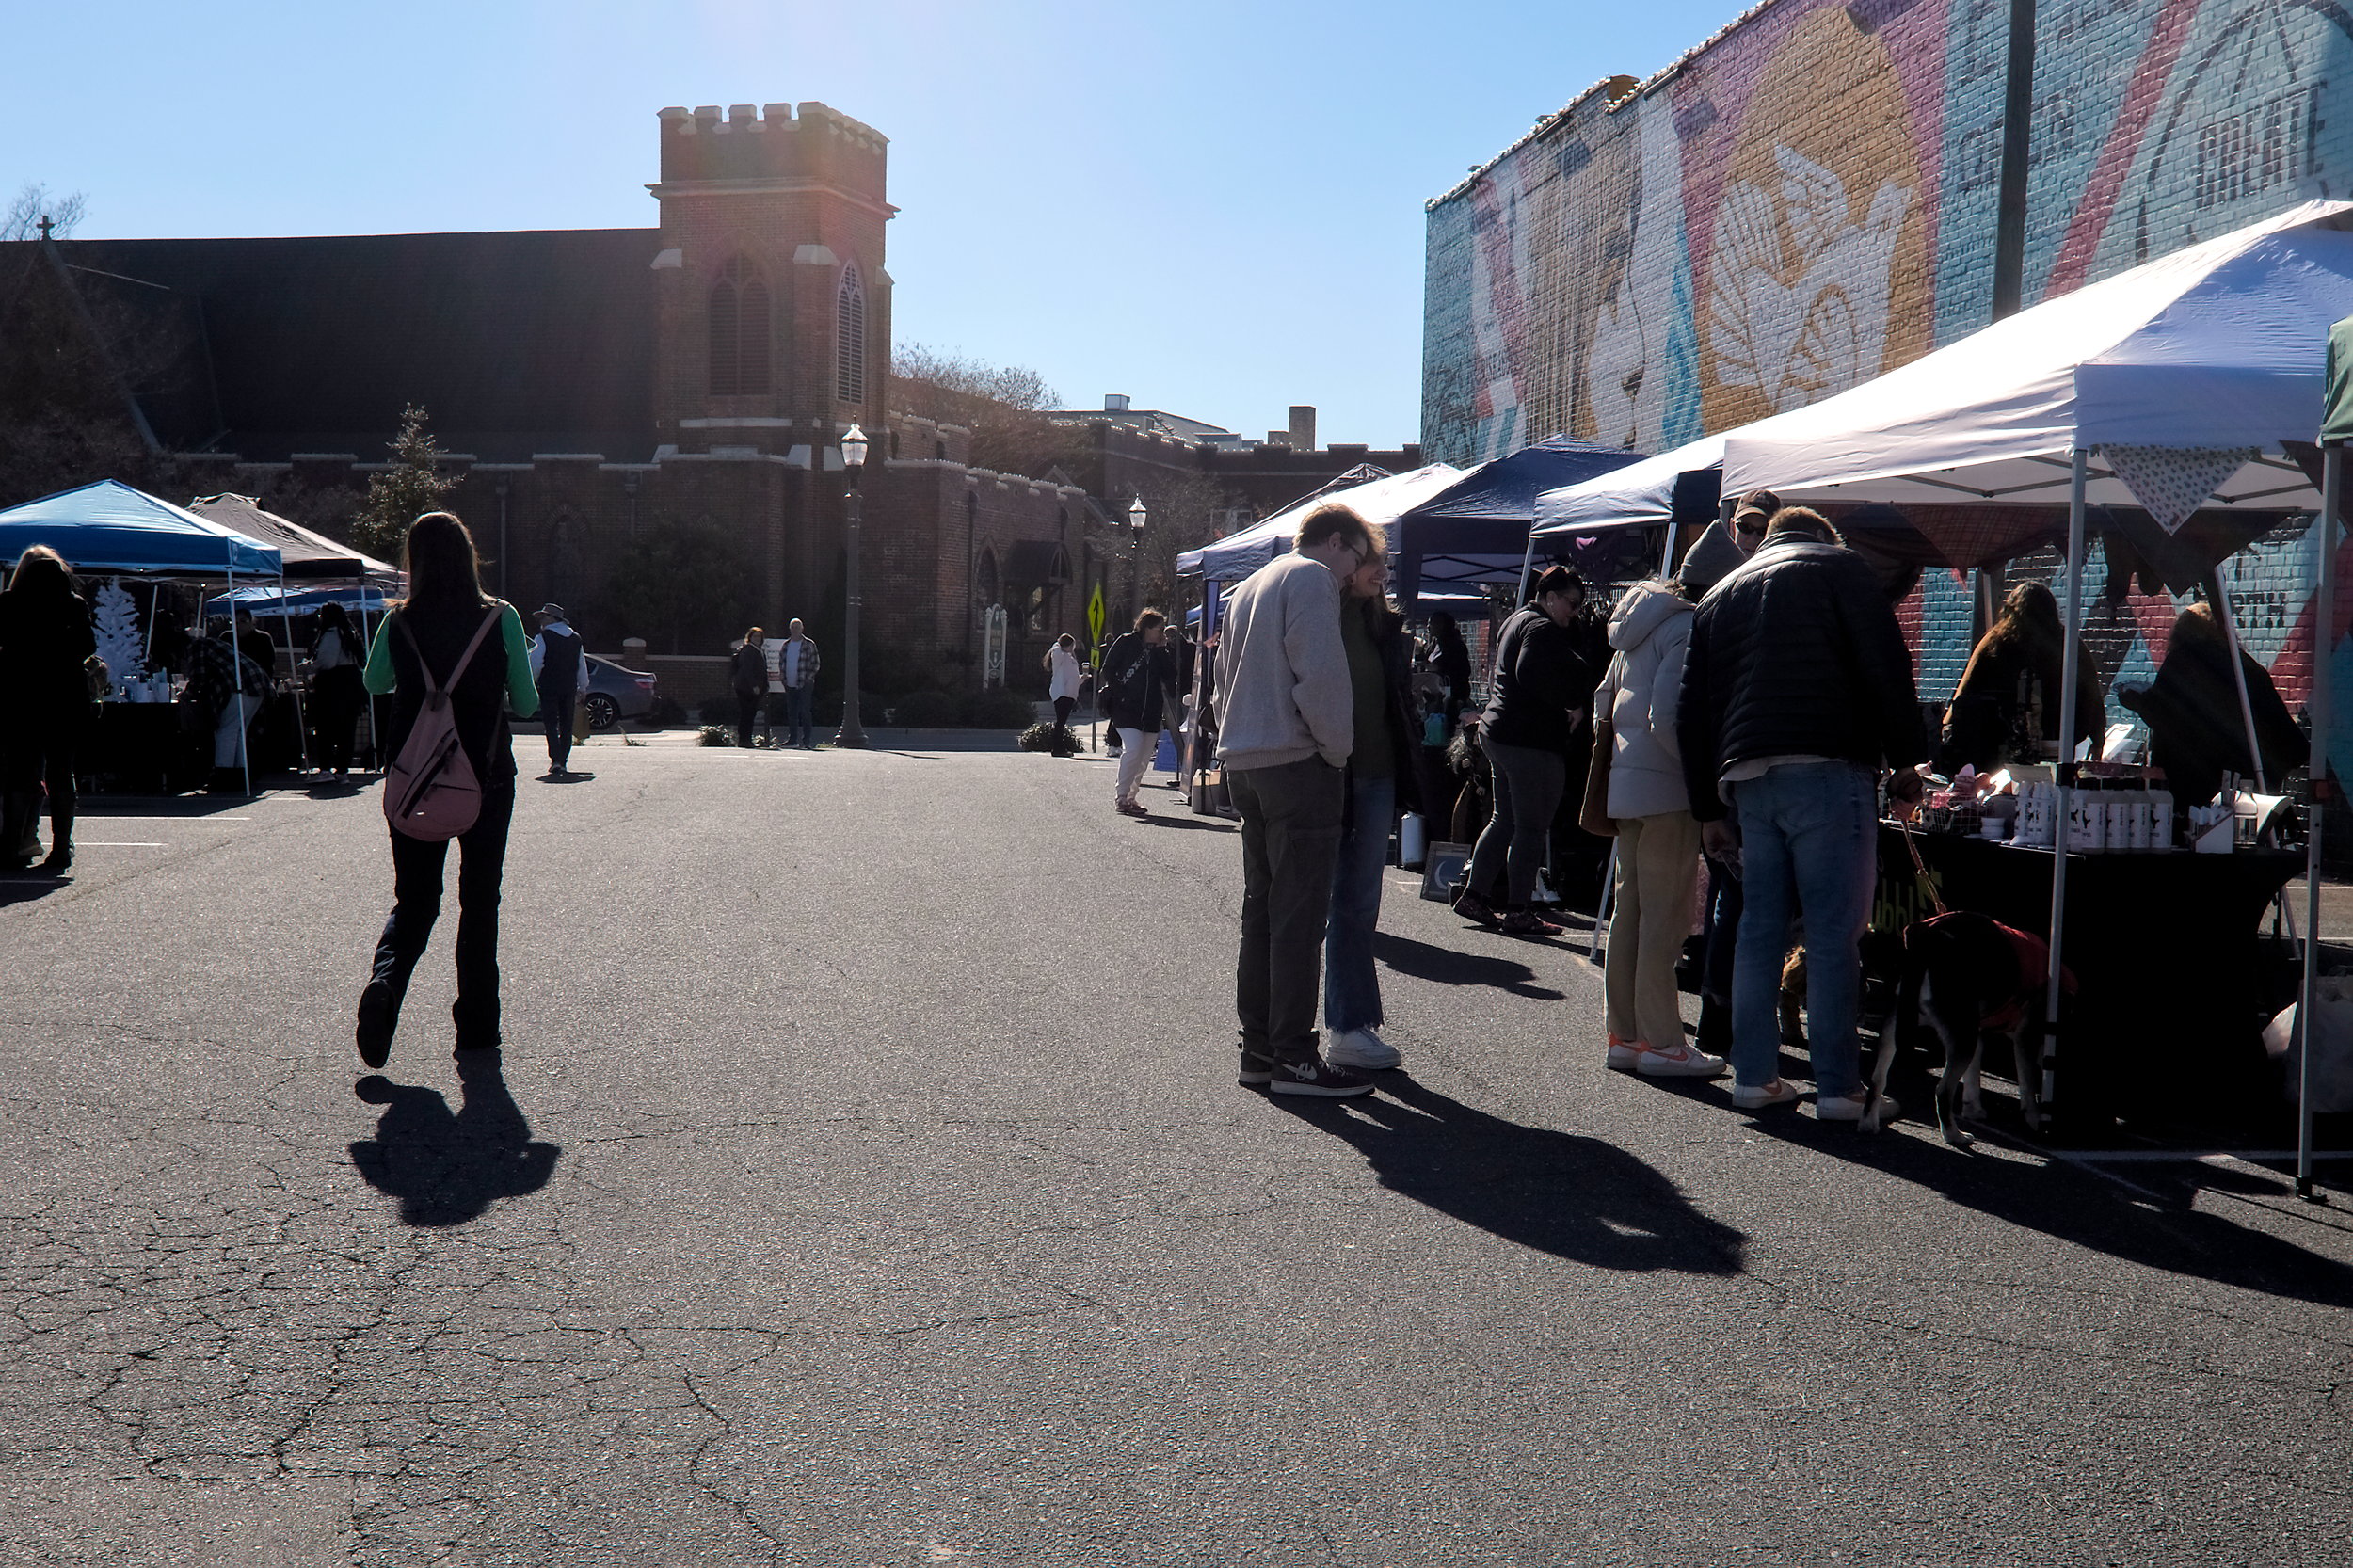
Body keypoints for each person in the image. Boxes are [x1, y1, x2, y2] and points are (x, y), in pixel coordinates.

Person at [1677, 505, 1929, 1121]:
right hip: (1828, 764)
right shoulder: (1843, 571)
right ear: (1825, 535)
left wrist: (1707, 807)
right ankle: (1839, 1087)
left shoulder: (1720, 594)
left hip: (1749, 778)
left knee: (1759, 930)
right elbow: (1885, 664)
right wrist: (1906, 760)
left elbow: (1693, 709)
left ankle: (1755, 1077)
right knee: (1833, 932)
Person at [355, 510, 539, 1069]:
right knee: (479, 901)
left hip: (414, 779)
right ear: (467, 555)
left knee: (416, 899)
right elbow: (527, 704)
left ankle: (386, 985)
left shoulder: (400, 622)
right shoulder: (499, 618)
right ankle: (477, 1026)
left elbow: (373, 682)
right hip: (485, 775)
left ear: (416, 562)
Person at [1212, 502, 1379, 1098]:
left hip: (1247, 763)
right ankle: (1295, 1059)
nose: (1350, 578)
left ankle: (1258, 1049)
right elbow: (1323, 679)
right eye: (1355, 561)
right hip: (1296, 763)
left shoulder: (1250, 585)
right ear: (1335, 542)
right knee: (1299, 919)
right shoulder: (1310, 578)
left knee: (1261, 911)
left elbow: (1218, 684)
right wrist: (1337, 752)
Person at [1593, 577, 1723, 1079]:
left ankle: (1624, 1036)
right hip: (1667, 789)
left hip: (1626, 788)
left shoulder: (1634, 625)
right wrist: (1699, 780)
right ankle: (1665, 1043)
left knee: (1630, 914)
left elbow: (1605, 702)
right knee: (1664, 920)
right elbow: (1666, 717)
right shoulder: (1685, 625)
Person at [1322, 549, 1425, 1071]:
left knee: (1359, 902)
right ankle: (1338, 1026)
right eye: (1367, 560)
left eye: (1382, 564)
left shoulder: (1383, 625)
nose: (1378, 572)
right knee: (1333, 901)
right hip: (1327, 773)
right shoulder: (1318, 611)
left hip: (1378, 775)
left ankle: (1349, 1025)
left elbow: (1395, 701)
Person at [1455, 566, 1596, 937]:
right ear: (1550, 597)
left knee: (1505, 820)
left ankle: (1474, 895)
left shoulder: (1518, 619)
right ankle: (1518, 909)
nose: (1575, 611)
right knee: (1531, 827)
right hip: (1527, 741)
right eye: (1571, 602)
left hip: (1499, 733)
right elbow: (1530, 670)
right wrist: (1569, 701)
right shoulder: (1542, 627)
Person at [2119, 600, 2309, 811]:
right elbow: (2284, 733)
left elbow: (2167, 719)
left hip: (2190, 787)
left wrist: (2137, 700)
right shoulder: (2244, 666)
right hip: (2244, 787)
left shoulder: (2180, 664)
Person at [1938, 580, 2104, 775]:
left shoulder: (1995, 642)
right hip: (2058, 741)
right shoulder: (2068, 644)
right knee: (2048, 791)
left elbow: (1966, 691)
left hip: (2000, 744)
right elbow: (2091, 692)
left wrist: (1948, 727)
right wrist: (2097, 739)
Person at [0, 545, 97, 873]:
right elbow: (87, 647)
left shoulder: (9, 602)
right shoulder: (73, 605)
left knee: (19, 775)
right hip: (64, 698)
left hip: (21, 697)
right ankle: (61, 848)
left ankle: (11, 844)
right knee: (60, 774)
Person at [1100, 608, 1179, 817]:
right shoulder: (1126, 642)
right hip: (1126, 710)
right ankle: (1121, 797)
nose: (1163, 633)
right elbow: (1108, 669)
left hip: (1151, 711)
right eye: (1159, 629)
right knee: (1133, 749)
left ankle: (1130, 798)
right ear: (1146, 628)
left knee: (1144, 758)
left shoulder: (1159, 650)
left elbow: (1171, 675)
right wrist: (1121, 694)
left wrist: (1162, 651)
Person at [188, 619, 270, 793]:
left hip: (244, 685)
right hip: (258, 682)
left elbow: (199, 676)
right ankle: (241, 774)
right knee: (239, 731)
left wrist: (187, 694)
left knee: (227, 731)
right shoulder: (212, 643)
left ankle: (223, 775)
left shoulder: (197, 647)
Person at [527, 603, 588, 778]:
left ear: (552, 618)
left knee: (551, 723)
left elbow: (537, 663)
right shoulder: (575, 638)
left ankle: (556, 760)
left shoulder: (543, 637)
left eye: (544, 617)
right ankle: (563, 759)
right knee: (567, 723)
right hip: (568, 686)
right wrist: (583, 687)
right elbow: (581, 665)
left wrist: (532, 681)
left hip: (549, 686)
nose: (541, 621)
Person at [308, 601, 366, 780]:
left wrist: (310, 666)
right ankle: (342, 770)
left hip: (332, 686)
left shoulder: (331, 634)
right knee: (346, 730)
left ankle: (325, 769)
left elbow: (327, 662)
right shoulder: (351, 634)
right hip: (351, 684)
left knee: (326, 728)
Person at [777, 618, 821, 748]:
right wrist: (783, 678)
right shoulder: (786, 645)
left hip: (804, 683)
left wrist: (809, 677)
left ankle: (806, 741)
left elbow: (816, 663)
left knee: (805, 711)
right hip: (789, 683)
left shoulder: (809, 644)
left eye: (797, 627)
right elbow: (781, 662)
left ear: (802, 628)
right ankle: (793, 740)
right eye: (793, 627)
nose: (795, 629)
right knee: (792, 712)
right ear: (790, 629)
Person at [729, 625, 767, 747]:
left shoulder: (757, 650)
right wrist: (754, 686)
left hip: (750, 688)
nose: (757, 638)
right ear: (749, 638)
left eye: (759, 637)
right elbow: (747, 670)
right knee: (747, 714)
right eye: (755, 636)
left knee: (750, 714)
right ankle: (744, 740)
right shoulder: (749, 650)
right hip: (746, 688)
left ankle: (746, 739)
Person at [1046, 632, 1084, 744]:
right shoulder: (1059, 656)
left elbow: (1073, 678)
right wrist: (1059, 642)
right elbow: (1056, 649)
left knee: (1062, 721)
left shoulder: (1070, 659)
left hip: (1070, 693)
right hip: (1061, 692)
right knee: (1061, 721)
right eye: (1072, 645)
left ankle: (1059, 745)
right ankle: (1057, 746)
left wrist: (1082, 678)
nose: (1073, 648)